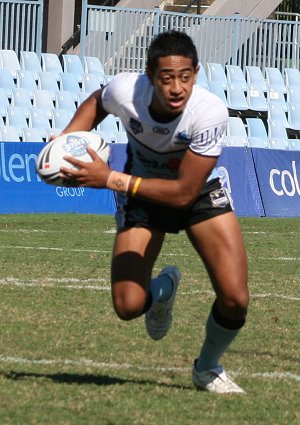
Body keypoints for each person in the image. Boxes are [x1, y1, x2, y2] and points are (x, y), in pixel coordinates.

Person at [58, 30, 249, 394]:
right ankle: (163, 291)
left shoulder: (208, 112)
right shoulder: (125, 92)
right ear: (149, 76)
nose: (177, 88)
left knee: (235, 298)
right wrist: (69, 139)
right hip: (143, 196)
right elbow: (98, 102)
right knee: (127, 305)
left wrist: (110, 179)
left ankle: (207, 368)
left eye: (185, 77)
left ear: (195, 72)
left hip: (195, 194)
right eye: (166, 78)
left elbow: (183, 193)